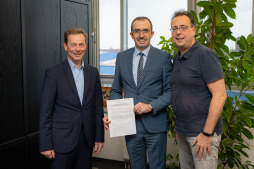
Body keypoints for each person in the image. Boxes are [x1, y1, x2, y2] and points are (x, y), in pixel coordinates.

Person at [103, 16, 172, 169]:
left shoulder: (163, 57)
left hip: (155, 125)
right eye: (137, 31)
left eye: (145, 30)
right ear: (131, 34)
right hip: (130, 125)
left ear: (152, 33)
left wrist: (151, 106)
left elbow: (170, 92)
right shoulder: (122, 57)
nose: (141, 35)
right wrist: (111, 112)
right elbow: (115, 89)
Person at [39, 28, 104, 169]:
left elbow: (97, 108)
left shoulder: (93, 73)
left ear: (86, 46)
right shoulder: (53, 73)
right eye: (73, 44)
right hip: (61, 142)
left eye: (81, 44)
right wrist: (45, 144)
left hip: (87, 140)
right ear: (65, 46)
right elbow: (46, 112)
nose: (77, 49)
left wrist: (99, 137)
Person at [169, 10, 227, 169]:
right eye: (174, 28)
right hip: (183, 132)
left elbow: (220, 96)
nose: (178, 32)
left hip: (202, 134)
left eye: (183, 27)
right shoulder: (177, 58)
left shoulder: (205, 55)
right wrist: (179, 128)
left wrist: (207, 134)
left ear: (193, 30)